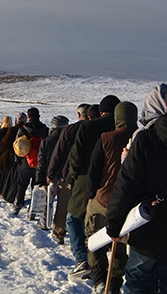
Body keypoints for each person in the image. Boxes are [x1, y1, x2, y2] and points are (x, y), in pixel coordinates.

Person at [106, 87, 167, 294]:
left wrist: (114, 225)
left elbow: (127, 184)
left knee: (137, 284)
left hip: (150, 229)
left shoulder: (146, 139)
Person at [85, 102, 138, 294]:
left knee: (94, 239)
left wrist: (92, 194)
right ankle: (114, 282)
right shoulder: (141, 137)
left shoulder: (106, 138)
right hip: (128, 204)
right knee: (121, 245)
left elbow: (94, 169)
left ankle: (99, 277)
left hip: (103, 199)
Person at [67, 95, 121, 280]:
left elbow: (76, 156)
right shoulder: (122, 129)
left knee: (74, 218)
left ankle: (82, 259)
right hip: (114, 183)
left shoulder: (88, 127)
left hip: (85, 179)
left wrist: (75, 176)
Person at [47, 103, 90, 245]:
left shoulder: (69, 129)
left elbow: (58, 153)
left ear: (78, 115)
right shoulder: (94, 130)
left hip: (67, 174)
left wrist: (51, 173)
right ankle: (83, 235)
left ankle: (59, 231)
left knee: (63, 204)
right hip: (87, 176)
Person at [34, 115, 69, 229]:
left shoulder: (46, 141)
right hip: (65, 177)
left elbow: (41, 163)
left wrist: (39, 180)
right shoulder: (69, 141)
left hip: (49, 176)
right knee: (63, 203)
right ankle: (61, 225)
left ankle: (44, 222)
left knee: (47, 202)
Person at [12, 107, 49, 216]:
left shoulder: (23, 129)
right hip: (40, 163)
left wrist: (18, 161)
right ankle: (32, 211)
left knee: (21, 185)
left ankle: (17, 205)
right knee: (36, 187)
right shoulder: (45, 129)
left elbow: (17, 146)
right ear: (39, 116)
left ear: (28, 117)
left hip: (25, 162)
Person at [0, 112, 27, 203]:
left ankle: (5, 193)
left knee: (8, 176)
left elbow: (3, 144)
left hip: (10, 155)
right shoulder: (27, 130)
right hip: (24, 157)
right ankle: (12, 196)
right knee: (16, 178)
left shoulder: (12, 130)